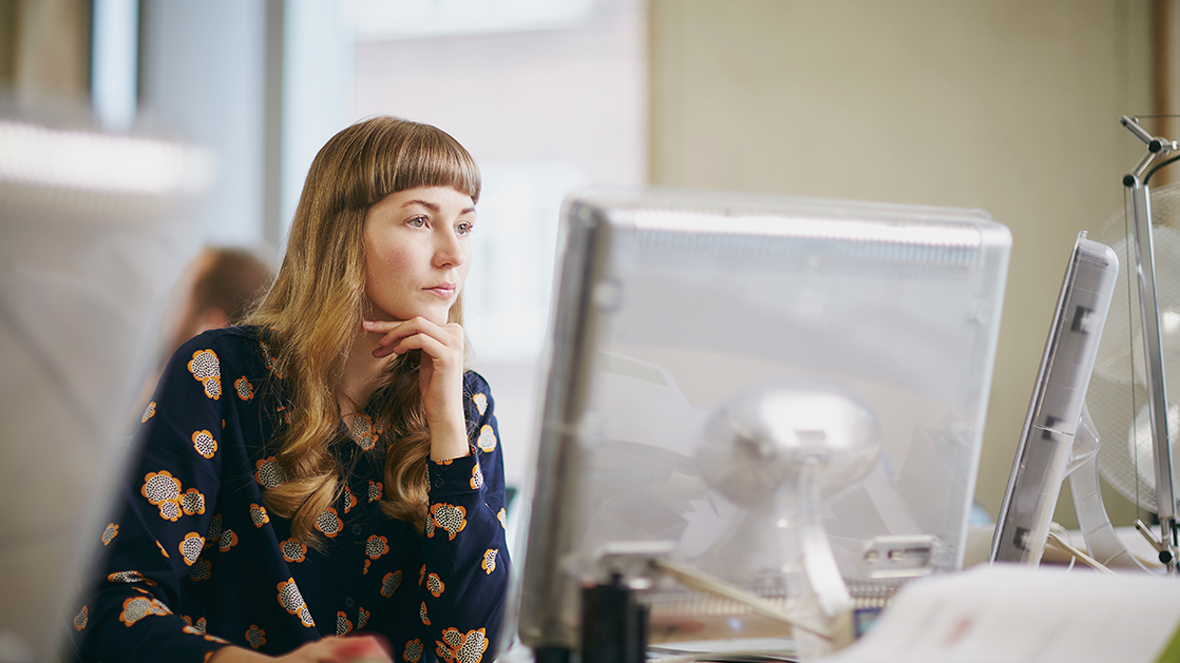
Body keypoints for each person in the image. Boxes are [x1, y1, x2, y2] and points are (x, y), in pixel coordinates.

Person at [70, 116, 510, 663]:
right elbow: (111, 607)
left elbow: (470, 649)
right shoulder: (218, 373)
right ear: (343, 235)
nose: (453, 254)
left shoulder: (463, 405)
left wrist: (447, 426)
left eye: (464, 226)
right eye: (420, 221)